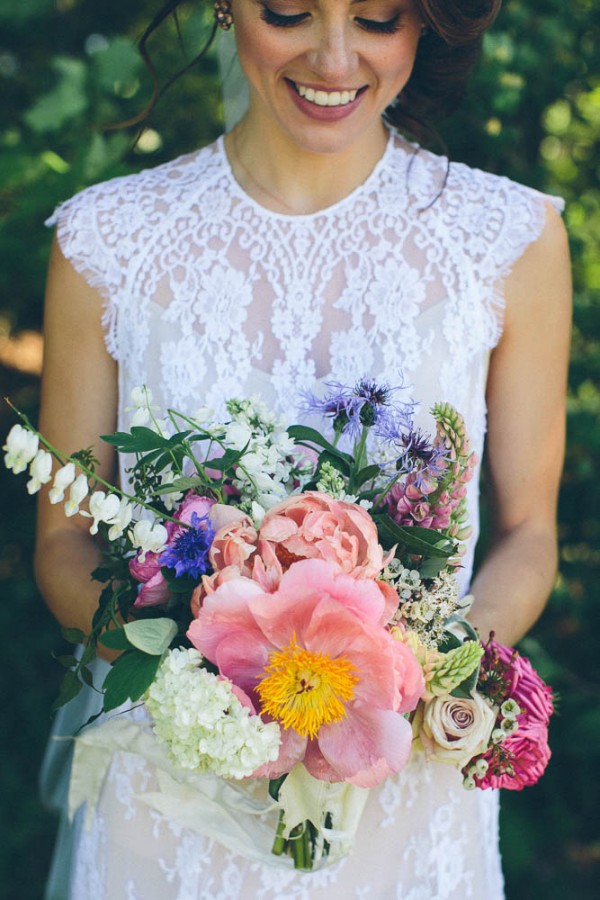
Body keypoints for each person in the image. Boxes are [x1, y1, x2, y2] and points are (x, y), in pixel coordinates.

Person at [36, 0, 572, 896]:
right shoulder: (107, 241)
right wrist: (207, 697)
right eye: (289, 12)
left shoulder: (507, 241)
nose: (334, 56)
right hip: (178, 790)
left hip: (403, 797)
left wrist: (406, 677)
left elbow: (528, 532)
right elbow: (63, 544)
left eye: (377, 18)